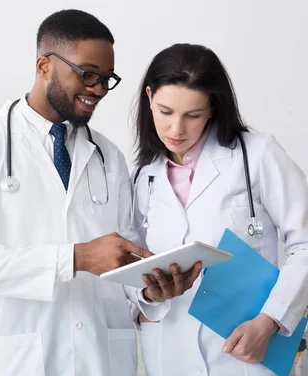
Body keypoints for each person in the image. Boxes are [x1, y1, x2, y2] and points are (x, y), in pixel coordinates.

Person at [0, 10, 201, 376]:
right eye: (88, 74)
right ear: (44, 65)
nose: (97, 88)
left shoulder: (107, 156)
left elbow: (123, 255)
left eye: (106, 79)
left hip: (103, 357)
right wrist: (75, 258)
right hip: (26, 358)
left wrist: (148, 291)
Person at [132, 43, 308, 376]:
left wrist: (270, 320)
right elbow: (132, 264)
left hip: (248, 348)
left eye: (193, 115)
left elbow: (305, 244)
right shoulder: (144, 175)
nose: (176, 129)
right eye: (165, 111)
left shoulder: (258, 155)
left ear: (213, 107)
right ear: (149, 97)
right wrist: (147, 296)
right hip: (168, 351)